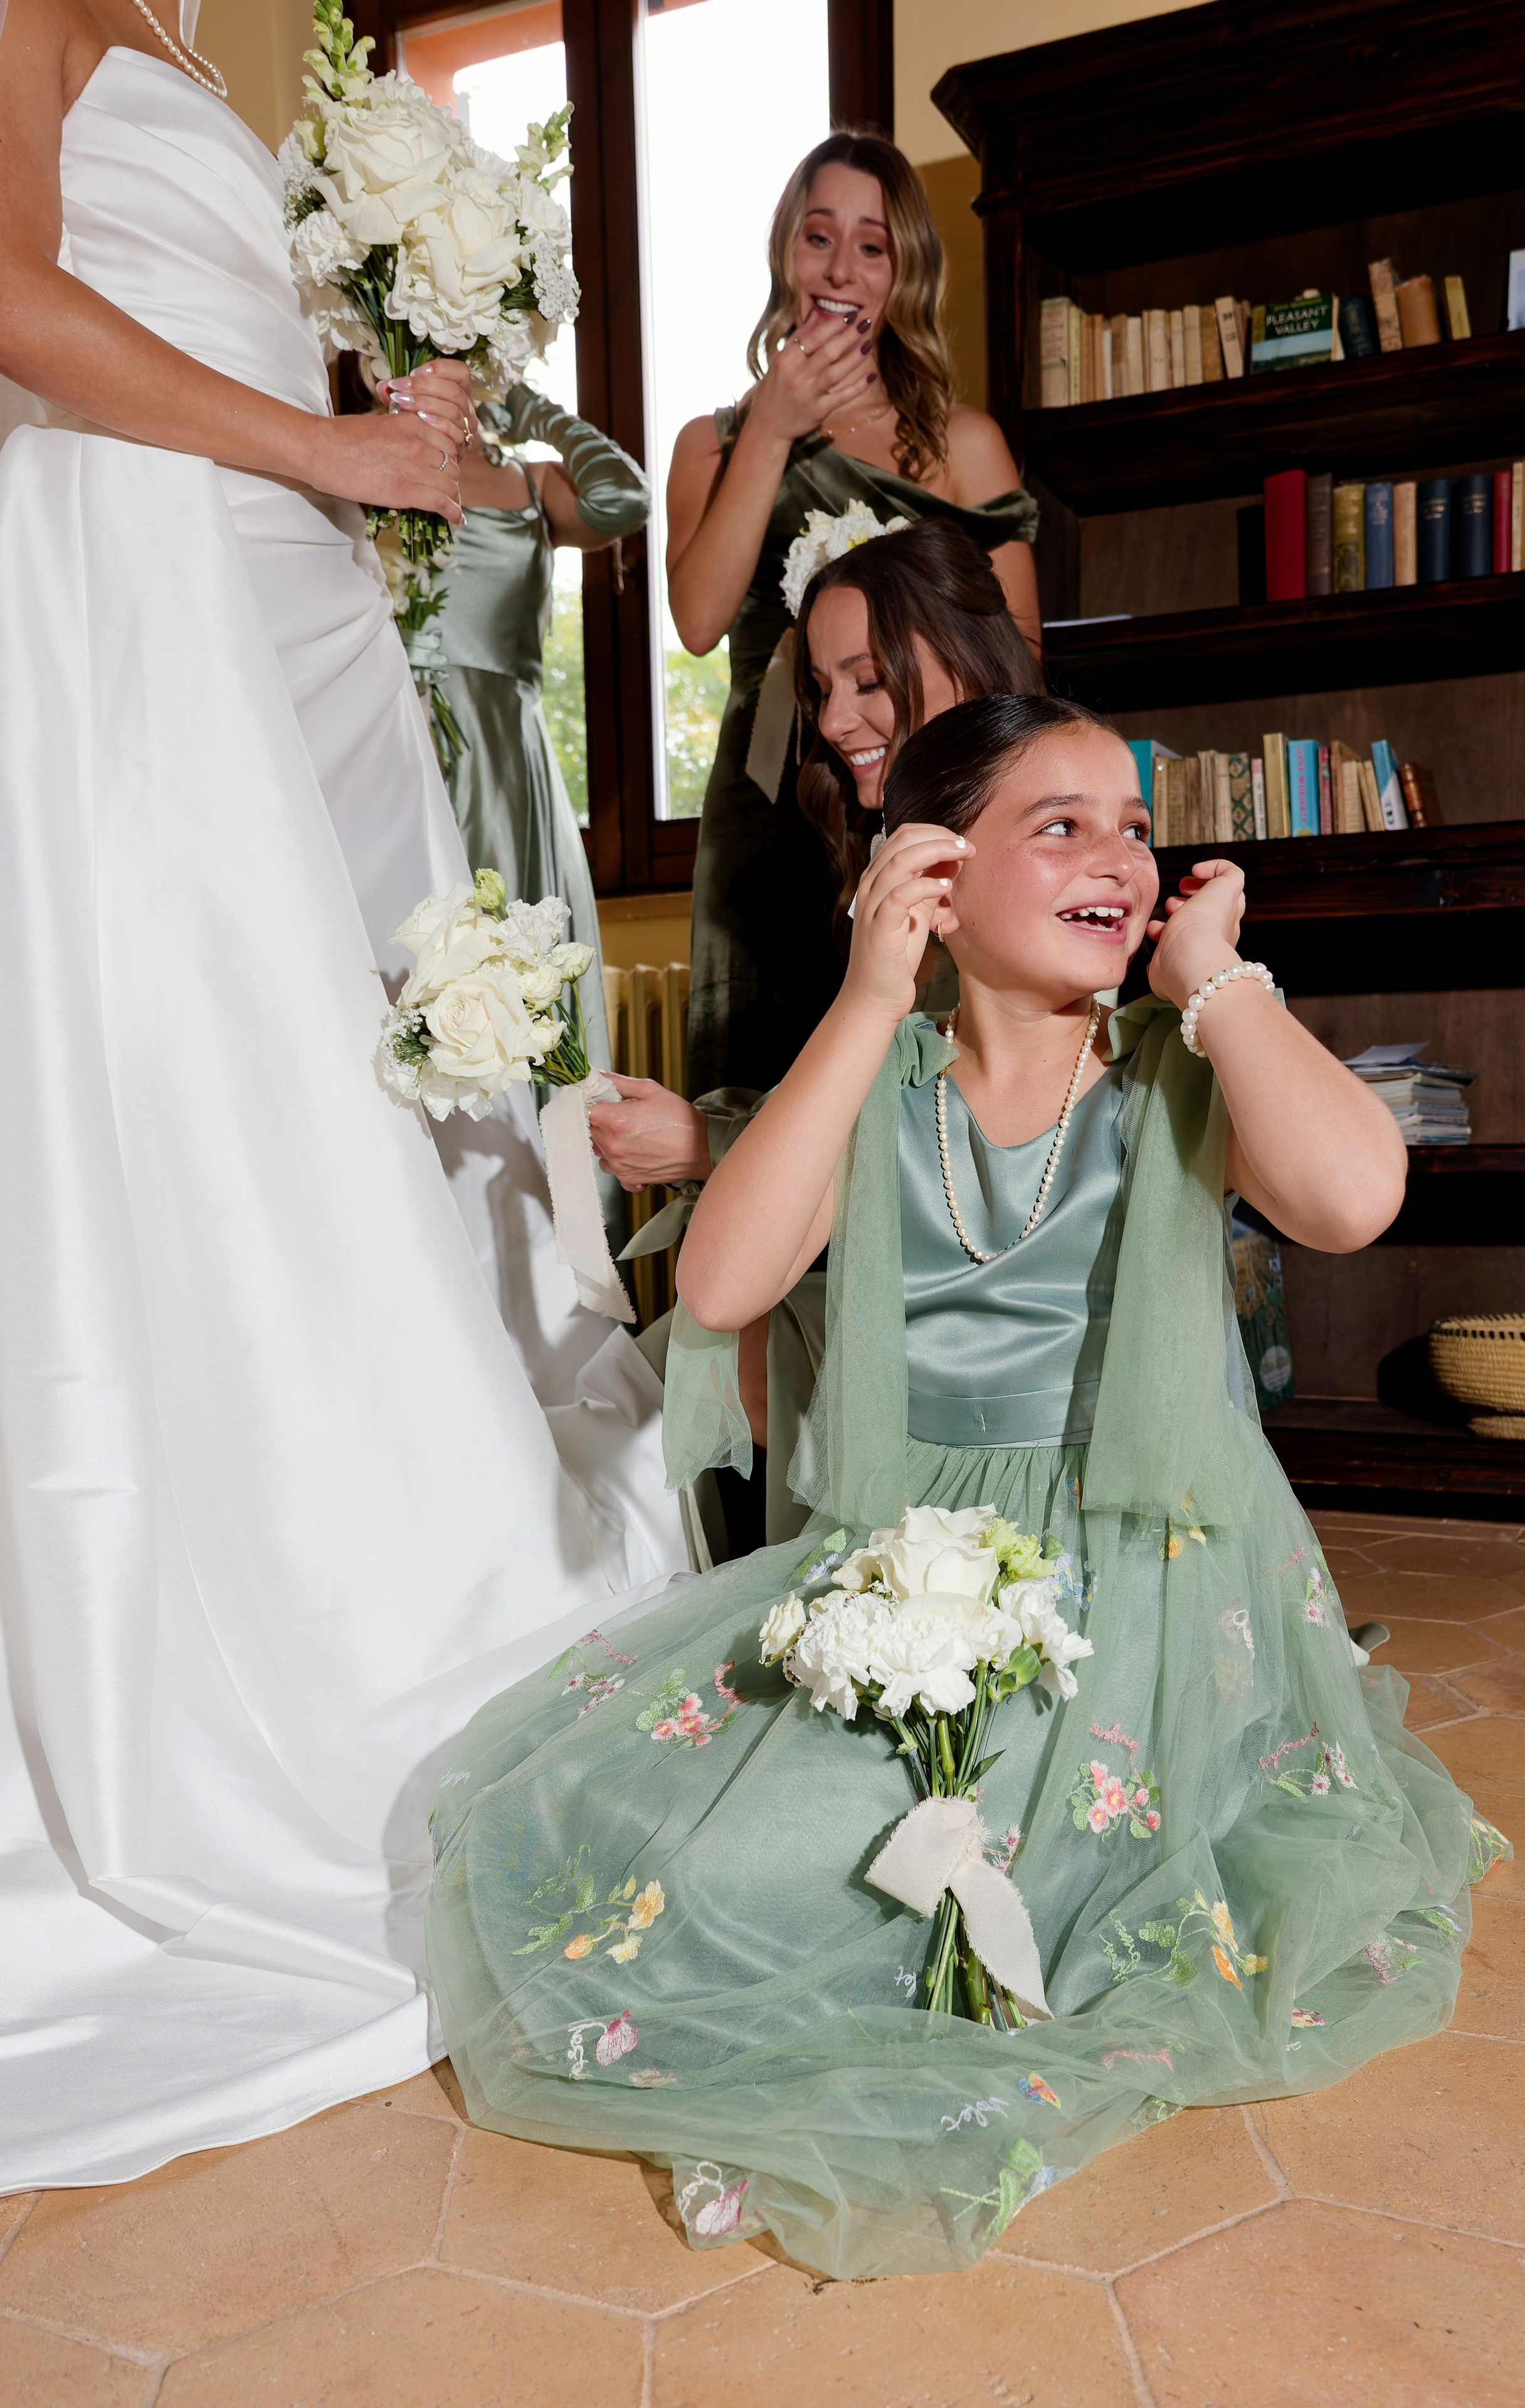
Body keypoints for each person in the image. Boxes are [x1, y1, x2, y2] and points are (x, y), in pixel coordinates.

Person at [428, 694, 1509, 2283]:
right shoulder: (880, 1073)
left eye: (1131, 824)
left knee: (1064, 1869)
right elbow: (722, 1278)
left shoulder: (1173, 1064)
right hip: (910, 1551)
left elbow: (1352, 1195)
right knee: (686, 1856)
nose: (1116, 854)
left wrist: (1215, 981)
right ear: (925, 872)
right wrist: (868, 996)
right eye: (1055, 822)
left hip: (1147, 1548)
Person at [0, 0, 684, 2192]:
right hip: (144, 574)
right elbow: (16, 301)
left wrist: (381, 418)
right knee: (218, 1118)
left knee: (401, 1093)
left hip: (277, 576)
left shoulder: (206, 42)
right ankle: (261, 1643)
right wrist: (324, 454)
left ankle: (419, 1560)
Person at [592, 520, 1044, 1545]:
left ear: (967, 664)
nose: (836, 720)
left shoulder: (1020, 858)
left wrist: (710, 1146)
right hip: (902, 1270)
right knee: (644, 1380)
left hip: (994, 1315)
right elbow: (887, 1087)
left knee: (671, 1382)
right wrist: (711, 1130)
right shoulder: (900, 843)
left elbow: (972, 1149)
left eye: (868, 680)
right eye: (820, 690)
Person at [667, 130, 1040, 1101]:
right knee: (766, 1088)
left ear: (903, 270)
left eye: (871, 246)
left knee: (925, 1086)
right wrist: (774, 428)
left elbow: (1023, 664)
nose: (841, 268)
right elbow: (701, 619)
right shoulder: (709, 447)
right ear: (785, 255)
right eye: (817, 237)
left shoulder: (963, 445)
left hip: (927, 806)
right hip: (767, 816)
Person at [433, 385, 650, 1064]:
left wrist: (533, 413)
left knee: (511, 963)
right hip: (392, 737)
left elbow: (623, 500)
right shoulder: (356, 449)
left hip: (503, 758)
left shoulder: (528, 482)